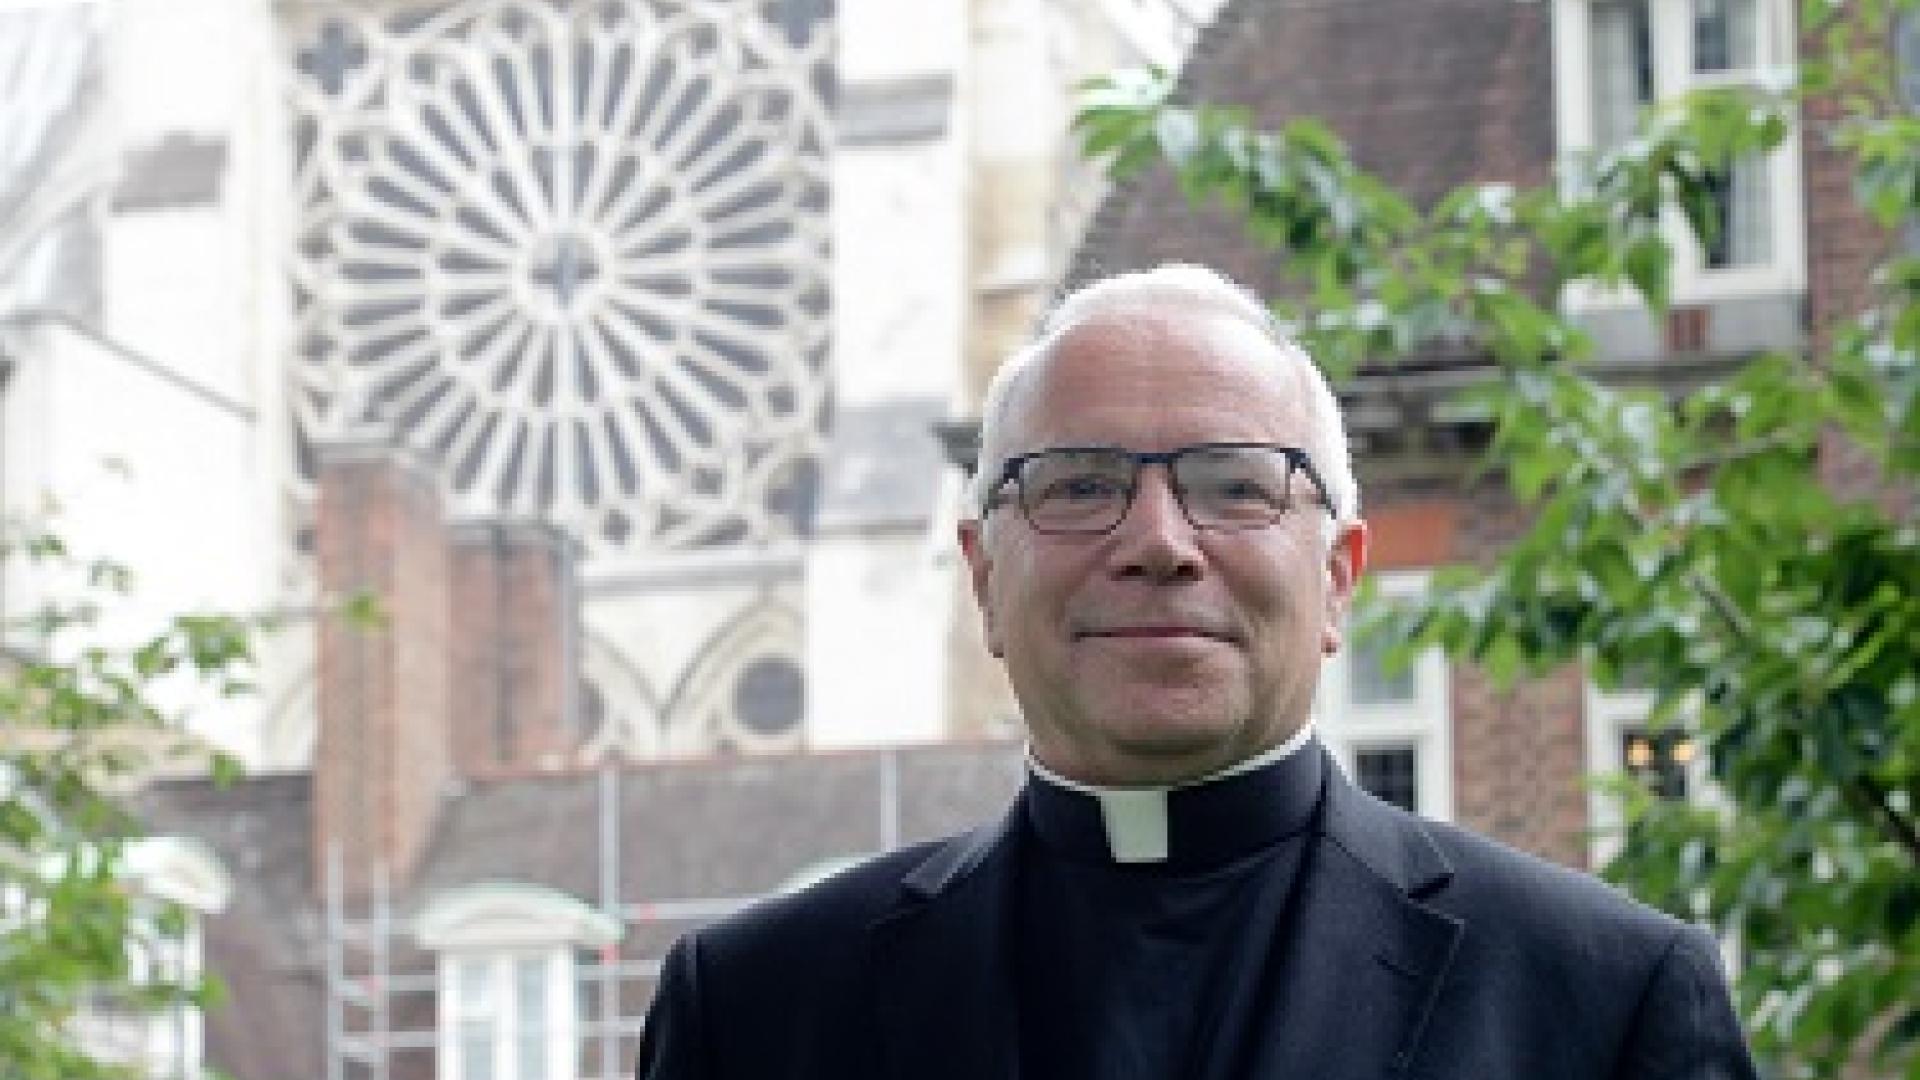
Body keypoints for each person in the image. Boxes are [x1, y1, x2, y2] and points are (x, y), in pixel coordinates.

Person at [634, 264, 1758, 1079]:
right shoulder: (757, 1011)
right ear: (982, 576)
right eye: (1077, 484)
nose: (1159, 540)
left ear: (1339, 578)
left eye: (1234, 483)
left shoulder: (1601, 1001)